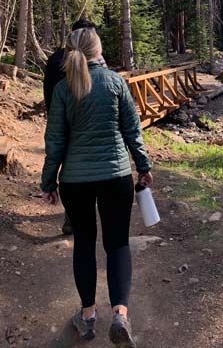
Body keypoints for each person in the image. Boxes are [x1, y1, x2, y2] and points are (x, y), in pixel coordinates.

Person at [41, 27, 152, 347]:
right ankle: (120, 315)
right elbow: (133, 131)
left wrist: (48, 182)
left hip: (75, 182)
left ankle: (88, 316)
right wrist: (144, 168)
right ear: (98, 50)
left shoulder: (63, 89)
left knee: (84, 244)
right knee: (117, 244)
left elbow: (55, 142)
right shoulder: (117, 83)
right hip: (116, 177)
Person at [43, 19, 105, 236]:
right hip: (87, 120)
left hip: (60, 119)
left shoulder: (54, 59)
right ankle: (91, 211)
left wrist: (53, 118)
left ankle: (72, 217)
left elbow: (48, 91)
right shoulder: (95, 59)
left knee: (68, 165)